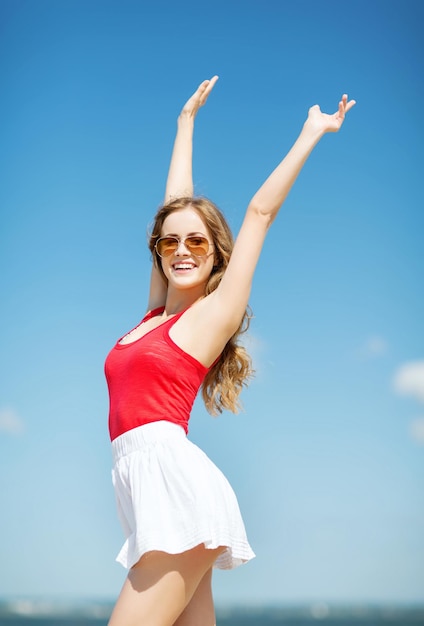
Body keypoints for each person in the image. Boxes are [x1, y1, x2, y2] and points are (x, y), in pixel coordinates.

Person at [105, 77, 355, 626]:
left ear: (218, 255)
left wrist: (313, 131)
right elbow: (173, 205)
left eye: (198, 242)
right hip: (147, 492)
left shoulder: (207, 320)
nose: (182, 250)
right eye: (170, 242)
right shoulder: (153, 317)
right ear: (158, 252)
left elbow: (260, 213)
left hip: (176, 491)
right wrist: (185, 124)